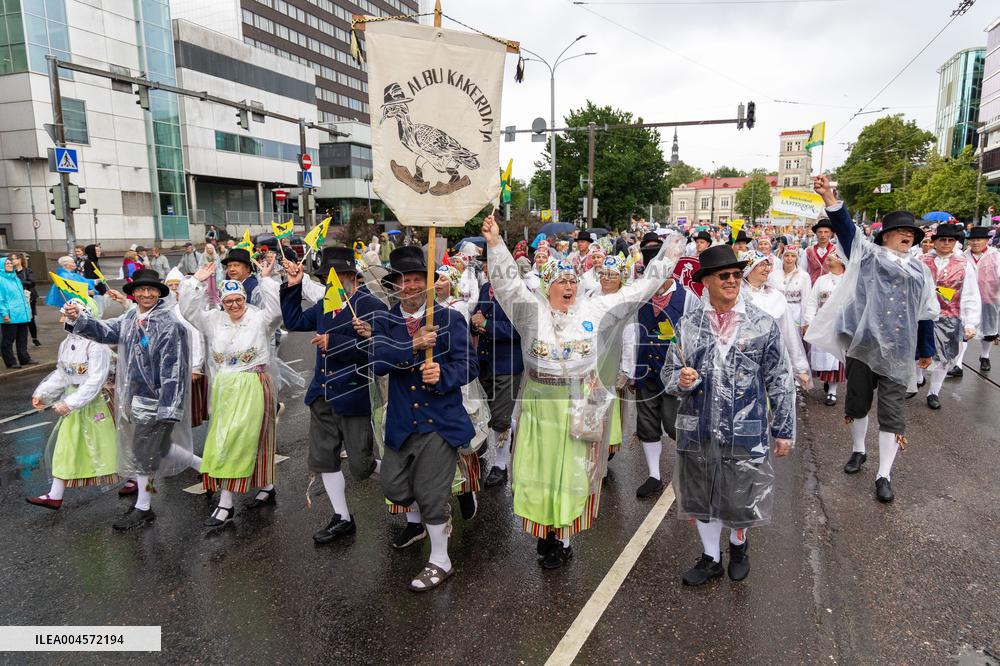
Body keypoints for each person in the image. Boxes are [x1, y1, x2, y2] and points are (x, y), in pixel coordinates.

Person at [482, 213, 682, 569]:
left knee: (573, 474)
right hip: (540, 410)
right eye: (561, 281)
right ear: (547, 285)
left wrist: (666, 260)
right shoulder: (529, 312)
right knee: (538, 474)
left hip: (579, 407)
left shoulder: (594, 308)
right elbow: (507, 284)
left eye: (572, 280)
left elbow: (637, 291)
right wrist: (495, 244)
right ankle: (545, 528)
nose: (569, 287)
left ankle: (564, 539)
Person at [663, 244, 796, 586]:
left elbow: (780, 379)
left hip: (745, 429)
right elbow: (670, 373)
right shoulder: (688, 324)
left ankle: (738, 545)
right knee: (701, 497)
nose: (732, 280)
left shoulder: (762, 324)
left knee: (740, 497)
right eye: (724, 275)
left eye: (737, 274)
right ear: (706, 281)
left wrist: (784, 430)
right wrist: (680, 380)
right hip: (699, 427)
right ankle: (711, 558)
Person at [806, 175, 937, 503]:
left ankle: (884, 474)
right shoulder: (867, 256)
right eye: (902, 230)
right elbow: (847, 231)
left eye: (912, 232)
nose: (908, 235)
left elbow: (925, 312)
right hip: (863, 346)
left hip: (898, 352)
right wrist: (829, 198)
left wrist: (925, 348)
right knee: (858, 402)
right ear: (886, 235)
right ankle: (858, 450)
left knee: (892, 412)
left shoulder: (921, 271)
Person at [370, 246, 477, 592]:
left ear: (428, 284)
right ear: (395, 286)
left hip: (439, 422)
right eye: (404, 280)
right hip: (402, 422)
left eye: (418, 279)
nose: (412, 286)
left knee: (430, 495)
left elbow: (470, 365)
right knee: (394, 488)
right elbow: (377, 363)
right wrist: (412, 346)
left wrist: (443, 375)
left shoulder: (450, 319)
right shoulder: (384, 320)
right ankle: (442, 498)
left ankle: (441, 560)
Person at [63, 268, 193, 530]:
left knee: (143, 452)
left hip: (157, 401)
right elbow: (105, 332)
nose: (146, 294)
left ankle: (143, 507)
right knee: (159, 448)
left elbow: (174, 370)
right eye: (141, 289)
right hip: (135, 397)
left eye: (151, 289)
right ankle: (210, 470)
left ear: (159, 293)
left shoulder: (169, 325)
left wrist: (169, 407)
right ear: (133, 293)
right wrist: (78, 318)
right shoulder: (131, 317)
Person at [281, 248, 387, 543]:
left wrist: (335, 342)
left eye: (338, 277)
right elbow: (293, 322)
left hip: (353, 396)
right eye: (328, 278)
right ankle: (342, 517)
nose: (333, 283)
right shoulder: (327, 303)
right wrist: (293, 286)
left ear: (352, 276)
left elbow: (380, 349)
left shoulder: (372, 305)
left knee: (361, 466)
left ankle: (404, 478)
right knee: (325, 460)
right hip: (322, 394)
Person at [181, 259, 282, 527]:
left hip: (252, 383)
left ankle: (226, 503)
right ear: (222, 302)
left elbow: (276, 311)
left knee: (236, 440)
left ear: (245, 299)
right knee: (230, 439)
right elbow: (188, 310)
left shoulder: (259, 319)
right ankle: (266, 485)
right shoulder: (213, 320)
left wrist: (266, 279)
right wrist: (196, 281)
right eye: (228, 301)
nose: (234, 305)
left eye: (239, 300)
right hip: (224, 388)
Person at [26, 299, 117, 509]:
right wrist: (43, 393)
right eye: (65, 315)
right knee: (66, 446)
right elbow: (62, 373)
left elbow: (96, 380)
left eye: (68, 315)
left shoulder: (97, 344)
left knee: (110, 446)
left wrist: (70, 403)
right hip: (75, 403)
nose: (61, 320)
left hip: (97, 404)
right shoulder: (66, 343)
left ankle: (136, 480)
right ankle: (55, 495)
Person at [620, 241, 694, 498]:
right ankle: (654, 476)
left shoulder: (688, 298)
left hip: (675, 373)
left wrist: (692, 369)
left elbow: (697, 335)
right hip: (645, 370)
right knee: (647, 424)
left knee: (675, 425)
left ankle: (691, 471)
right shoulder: (640, 297)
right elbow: (631, 333)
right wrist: (630, 370)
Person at [471, 254, 524, 488]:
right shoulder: (486, 288)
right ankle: (513, 427)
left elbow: (520, 329)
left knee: (500, 419)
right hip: (485, 361)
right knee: (491, 413)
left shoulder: (518, 293)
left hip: (507, 364)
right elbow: (478, 315)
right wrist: (475, 323)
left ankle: (501, 466)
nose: (489, 270)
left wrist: (486, 324)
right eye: (487, 266)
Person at [920, 224, 980, 409]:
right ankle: (918, 379)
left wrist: (970, 322)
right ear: (935, 241)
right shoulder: (921, 261)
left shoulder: (963, 265)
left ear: (955, 242)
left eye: (950, 240)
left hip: (949, 316)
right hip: (922, 315)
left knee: (945, 358)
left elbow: (970, 294)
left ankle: (933, 392)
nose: (946, 243)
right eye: (942, 239)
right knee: (917, 351)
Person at [741, 252, 811, 386]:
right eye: (761, 265)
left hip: (773, 360)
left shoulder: (776, 296)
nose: (767, 269)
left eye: (767, 264)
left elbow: (789, 333)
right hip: (743, 362)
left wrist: (800, 368)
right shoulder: (736, 296)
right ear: (749, 268)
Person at [803, 249, 848, 405]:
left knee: (837, 358)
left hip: (841, 324)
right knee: (825, 355)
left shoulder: (848, 280)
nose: (827, 263)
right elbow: (812, 302)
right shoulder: (822, 280)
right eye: (827, 260)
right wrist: (809, 321)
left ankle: (832, 391)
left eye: (830, 260)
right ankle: (827, 381)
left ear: (840, 261)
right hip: (823, 323)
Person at [965, 226, 1000, 371]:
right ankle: (957, 364)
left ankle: (985, 356)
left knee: (989, 330)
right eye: (972, 240)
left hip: (989, 299)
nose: (975, 243)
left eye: (979, 239)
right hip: (967, 300)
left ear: (986, 241)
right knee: (963, 330)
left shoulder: (996, 256)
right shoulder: (963, 256)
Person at [1, 256, 36, 368]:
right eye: (7, 263)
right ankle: (10, 362)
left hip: (22, 313)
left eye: (10, 263)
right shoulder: (1, 280)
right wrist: (4, 314)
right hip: (10, 315)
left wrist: (27, 311)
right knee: (8, 340)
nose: (10, 265)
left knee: (22, 338)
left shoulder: (16, 279)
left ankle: (24, 358)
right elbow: (1, 299)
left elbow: (22, 296)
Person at [776, 244, 811, 330]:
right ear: (783, 257)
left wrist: (804, 322)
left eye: (793, 256)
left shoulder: (804, 276)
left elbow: (806, 300)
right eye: (787, 255)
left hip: (796, 314)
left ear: (797, 258)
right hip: (778, 313)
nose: (789, 258)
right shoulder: (773, 275)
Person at [10, 253, 40, 347]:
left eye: (14, 259)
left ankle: (34, 338)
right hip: (16, 298)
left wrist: (17, 281)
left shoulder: (27, 270)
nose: (12, 261)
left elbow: (32, 282)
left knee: (30, 318)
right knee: (19, 319)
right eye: (11, 259)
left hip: (29, 297)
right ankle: (19, 340)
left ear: (20, 260)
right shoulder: (10, 272)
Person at [800, 219, 836, 284]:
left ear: (831, 233)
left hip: (831, 287)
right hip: (812, 286)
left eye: (826, 232)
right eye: (820, 232)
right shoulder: (808, 251)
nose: (823, 235)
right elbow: (802, 271)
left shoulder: (836, 251)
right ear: (816, 233)